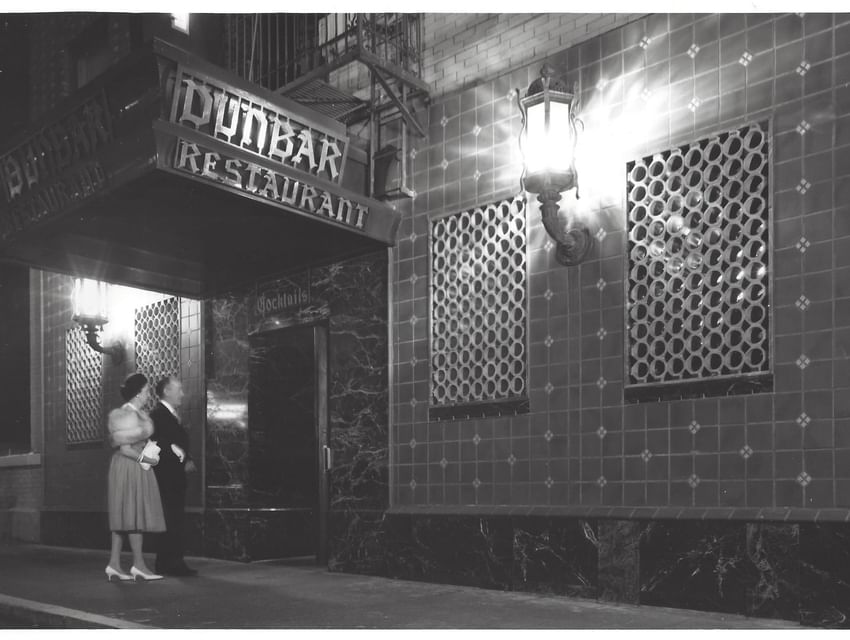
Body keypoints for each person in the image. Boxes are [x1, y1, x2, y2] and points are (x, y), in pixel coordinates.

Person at [105, 373, 166, 582]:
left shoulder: (136, 413)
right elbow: (125, 448)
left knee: (125, 513)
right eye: (147, 389)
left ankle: (114, 564)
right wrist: (148, 460)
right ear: (139, 392)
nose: (149, 393)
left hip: (130, 466)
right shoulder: (126, 415)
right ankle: (138, 565)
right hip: (129, 465)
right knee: (133, 514)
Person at [150, 375, 197, 576]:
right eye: (178, 389)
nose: (182, 393)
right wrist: (182, 459)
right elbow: (161, 444)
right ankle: (173, 563)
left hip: (172, 478)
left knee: (171, 519)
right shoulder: (159, 415)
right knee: (172, 519)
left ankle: (166, 562)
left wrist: (186, 457)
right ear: (167, 391)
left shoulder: (167, 415)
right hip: (168, 478)